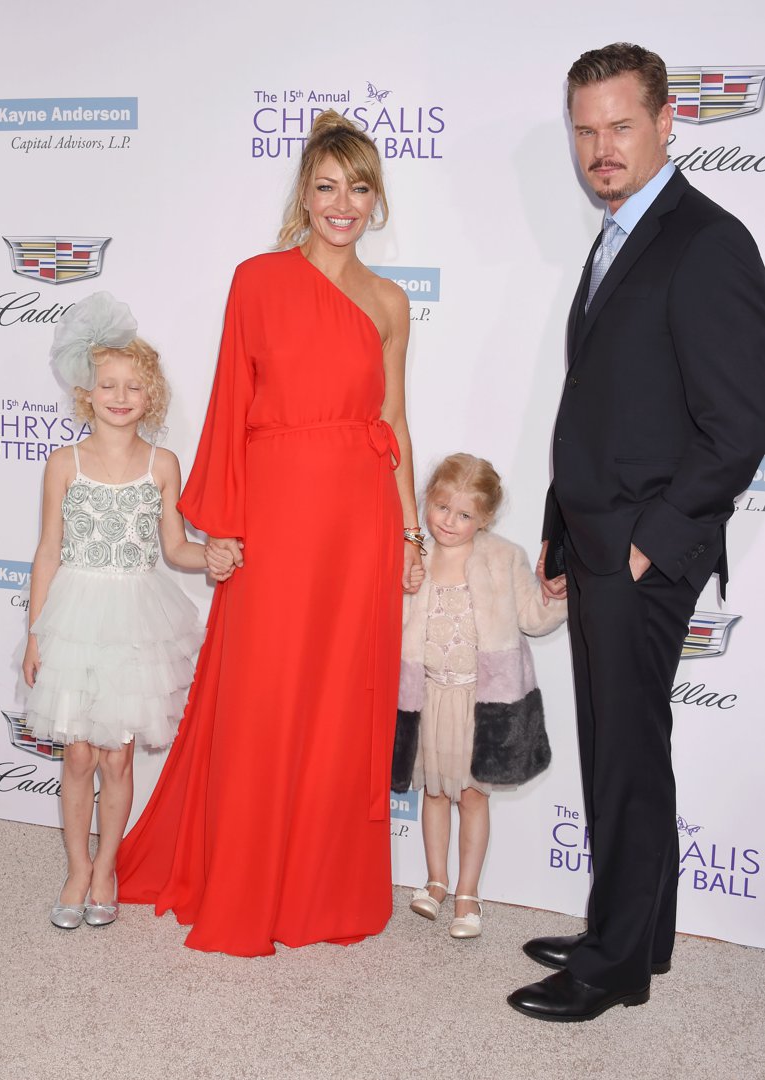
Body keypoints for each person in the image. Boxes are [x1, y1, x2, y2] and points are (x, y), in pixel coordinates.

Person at [117, 110, 422, 955]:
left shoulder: (391, 302)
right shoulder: (256, 279)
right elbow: (230, 405)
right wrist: (222, 525)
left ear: (375, 199)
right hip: (279, 517)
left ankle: (318, 886)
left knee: (338, 699)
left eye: (358, 187)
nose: (342, 203)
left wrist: (406, 533)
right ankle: (246, 878)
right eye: (326, 186)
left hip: (359, 522)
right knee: (263, 689)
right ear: (303, 193)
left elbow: (392, 419)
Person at [508, 43, 765, 1022]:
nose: (600, 148)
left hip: (642, 551)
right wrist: (558, 523)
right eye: (584, 130)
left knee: (621, 754)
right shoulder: (619, 231)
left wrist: (650, 540)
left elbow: (738, 423)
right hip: (596, 534)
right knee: (624, 748)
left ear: (666, 123)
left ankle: (611, 967)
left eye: (620, 126)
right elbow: (601, 401)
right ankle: (635, 931)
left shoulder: (706, 241)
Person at [22, 292, 207, 930]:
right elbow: (47, 551)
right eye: (108, 385)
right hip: (73, 619)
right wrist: (34, 633)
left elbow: (175, 547)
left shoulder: (163, 465)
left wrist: (213, 556)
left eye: (133, 386)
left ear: (149, 395)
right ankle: (76, 868)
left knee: (117, 757)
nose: (120, 396)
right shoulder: (62, 465)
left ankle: (107, 867)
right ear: (87, 392)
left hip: (135, 620)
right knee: (77, 755)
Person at [391, 454, 565, 939]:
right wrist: (397, 584)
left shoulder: (502, 556)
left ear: (484, 518)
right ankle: (435, 881)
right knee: (433, 792)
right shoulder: (413, 553)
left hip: (481, 703)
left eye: (464, 514)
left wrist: (557, 594)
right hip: (427, 698)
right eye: (442, 507)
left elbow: (532, 615)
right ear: (428, 500)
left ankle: (468, 893)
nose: (449, 521)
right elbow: (388, 619)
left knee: (470, 796)